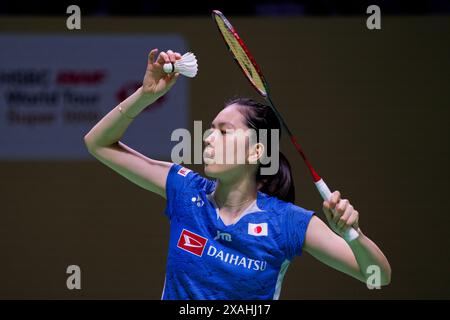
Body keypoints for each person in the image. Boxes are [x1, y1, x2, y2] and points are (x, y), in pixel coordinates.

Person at [84, 49, 391, 299]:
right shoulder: (185, 190)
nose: (207, 138)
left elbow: (376, 276)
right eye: (210, 130)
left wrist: (354, 234)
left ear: (256, 152)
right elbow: (98, 144)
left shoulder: (286, 223)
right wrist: (146, 96)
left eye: (223, 131)